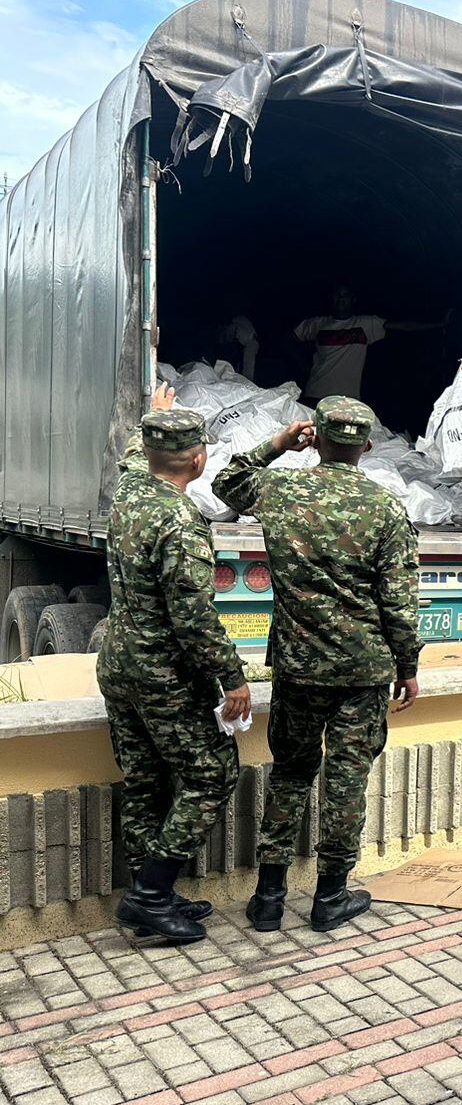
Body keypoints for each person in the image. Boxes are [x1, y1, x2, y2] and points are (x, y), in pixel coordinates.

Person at [214, 397, 423, 933]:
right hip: (362, 671)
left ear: (318, 438)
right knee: (347, 777)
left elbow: (226, 484)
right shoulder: (383, 507)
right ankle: (331, 896)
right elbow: (398, 601)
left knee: (290, 772)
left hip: (298, 667)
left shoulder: (281, 489)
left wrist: (279, 444)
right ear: (367, 448)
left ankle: (268, 897)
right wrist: (407, 666)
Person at [98, 392, 251, 945]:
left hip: (118, 663)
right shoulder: (181, 521)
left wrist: (151, 415)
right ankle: (151, 896)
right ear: (197, 460)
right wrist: (232, 679)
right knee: (212, 774)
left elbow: (132, 456)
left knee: (145, 780)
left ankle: (149, 892)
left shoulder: (132, 490)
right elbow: (193, 618)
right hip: (162, 673)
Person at [294, 285, 445, 402]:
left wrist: (441, 324)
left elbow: (404, 326)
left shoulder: (365, 324)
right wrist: (302, 364)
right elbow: (288, 340)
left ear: (353, 299)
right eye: (337, 295)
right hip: (315, 393)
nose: (341, 299)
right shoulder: (317, 324)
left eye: (345, 295)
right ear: (331, 299)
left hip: (348, 399)